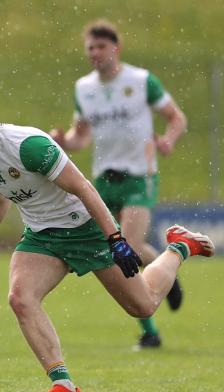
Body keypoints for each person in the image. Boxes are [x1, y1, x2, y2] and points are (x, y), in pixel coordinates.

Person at [0, 91, 213, 392]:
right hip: (41, 236)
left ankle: (180, 246)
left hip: (85, 228)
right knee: (21, 298)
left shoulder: (28, 147)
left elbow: (84, 189)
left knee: (143, 306)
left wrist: (115, 239)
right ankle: (63, 384)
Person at [49, 19, 188, 349]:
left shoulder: (140, 81)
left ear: (116, 49)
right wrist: (63, 141)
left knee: (126, 248)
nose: (94, 53)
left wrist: (168, 139)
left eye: (100, 47)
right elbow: (81, 136)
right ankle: (168, 267)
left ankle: (149, 333)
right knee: (129, 250)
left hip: (139, 177)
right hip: (102, 180)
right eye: (90, 49)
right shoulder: (84, 88)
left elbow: (177, 117)